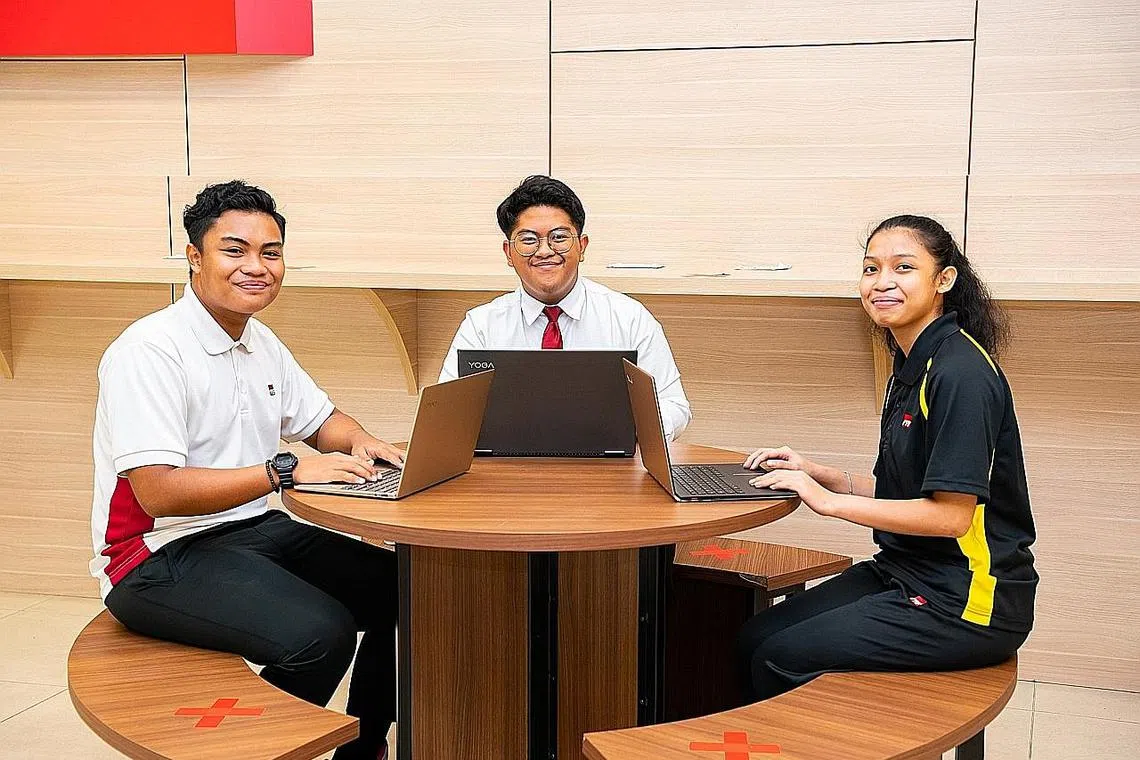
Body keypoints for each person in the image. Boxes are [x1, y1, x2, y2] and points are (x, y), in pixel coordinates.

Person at [90, 181, 400, 760]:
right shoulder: (149, 351)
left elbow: (322, 421)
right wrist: (284, 470)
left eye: (270, 252)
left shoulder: (260, 341)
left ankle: (364, 752)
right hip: (153, 555)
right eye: (235, 250)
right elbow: (158, 493)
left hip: (252, 529)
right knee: (321, 635)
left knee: (410, 593)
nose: (257, 267)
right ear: (194, 257)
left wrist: (365, 442)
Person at [737, 214, 1038, 699]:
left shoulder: (961, 374)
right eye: (871, 268)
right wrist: (819, 473)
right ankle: (733, 738)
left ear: (943, 280)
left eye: (903, 268)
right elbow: (906, 493)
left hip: (967, 599)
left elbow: (950, 517)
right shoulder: (912, 362)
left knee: (780, 656)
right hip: (905, 569)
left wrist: (828, 503)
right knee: (754, 637)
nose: (882, 283)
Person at [439, 175, 692, 439]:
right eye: (529, 240)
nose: (545, 251)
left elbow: (674, 405)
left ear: (581, 246)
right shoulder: (481, 325)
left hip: (609, 461)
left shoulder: (629, 318)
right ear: (508, 253)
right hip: (508, 463)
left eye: (559, 237)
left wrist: (628, 428)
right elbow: (445, 413)